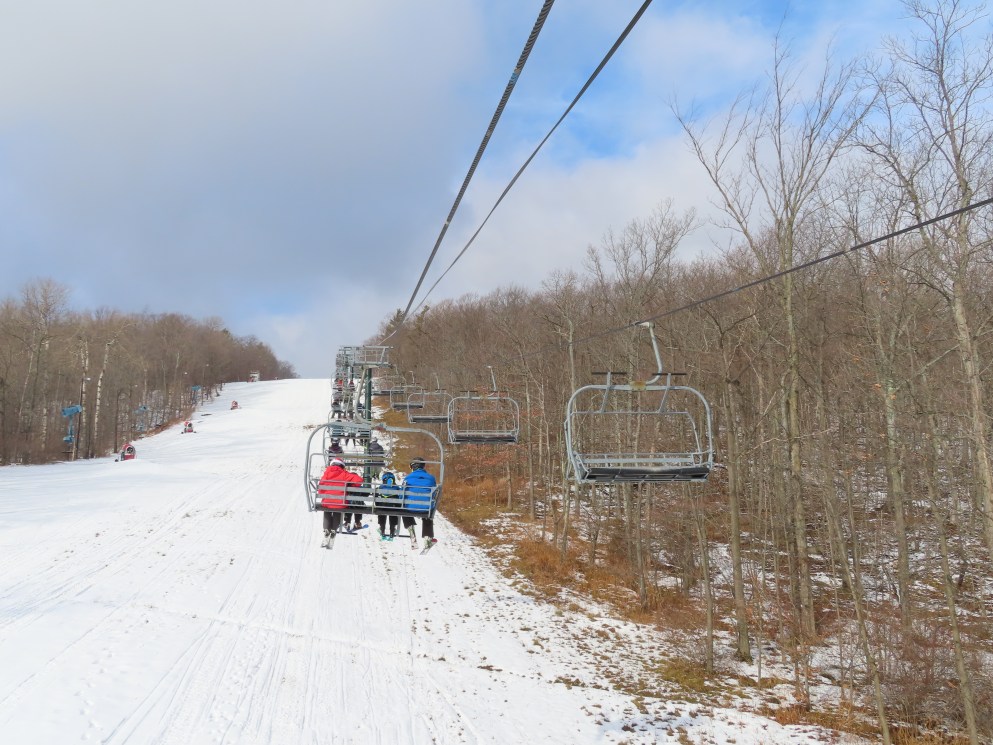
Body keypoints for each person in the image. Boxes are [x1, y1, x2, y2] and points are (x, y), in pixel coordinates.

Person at [317, 458, 363, 547]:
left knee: (327, 510)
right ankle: (334, 530)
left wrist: (323, 495)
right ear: (342, 465)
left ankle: (326, 530)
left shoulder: (326, 474)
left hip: (327, 501)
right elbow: (359, 480)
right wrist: (352, 484)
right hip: (340, 502)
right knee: (338, 510)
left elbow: (321, 487)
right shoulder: (344, 474)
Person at [402, 457, 438, 550]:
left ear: (412, 467)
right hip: (426, 508)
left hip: (410, 508)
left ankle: (412, 534)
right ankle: (427, 539)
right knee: (428, 514)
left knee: (404, 510)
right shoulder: (431, 478)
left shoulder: (408, 478)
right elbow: (434, 493)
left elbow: (402, 493)